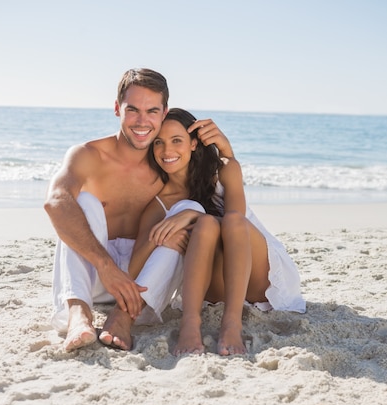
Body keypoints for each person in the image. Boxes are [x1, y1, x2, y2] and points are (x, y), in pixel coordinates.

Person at [44, 68, 232, 351]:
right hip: (94, 273)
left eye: (152, 111)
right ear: (117, 108)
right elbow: (55, 202)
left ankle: (124, 317)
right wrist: (106, 266)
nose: (142, 121)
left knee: (186, 209)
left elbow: (225, 201)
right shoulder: (89, 155)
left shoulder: (169, 163)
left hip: (145, 281)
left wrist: (226, 151)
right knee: (83, 202)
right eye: (133, 110)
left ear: (164, 112)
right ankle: (79, 314)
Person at [116, 108, 306, 355]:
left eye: (177, 141)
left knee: (226, 222)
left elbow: (234, 222)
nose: (167, 151)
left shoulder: (225, 169)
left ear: (193, 144)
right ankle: (190, 325)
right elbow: (133, 271)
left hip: (255, 274)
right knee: (205, 225)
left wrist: (192, 215)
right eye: (158, 143)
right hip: (213, 287)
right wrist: (160, 236)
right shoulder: (158, 203)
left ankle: (232, 323)